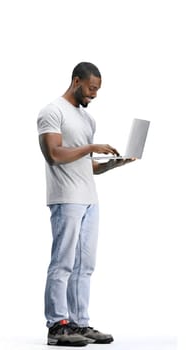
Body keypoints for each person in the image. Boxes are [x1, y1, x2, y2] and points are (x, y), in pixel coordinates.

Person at [37, 62, 135, 346]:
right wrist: (92, 147)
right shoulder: (52, 111)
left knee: (85, 265)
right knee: (63, 262)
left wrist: (114, 164)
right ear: (76, 81)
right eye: (91, 89)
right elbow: (54, 154)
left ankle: (79, 322)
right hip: (65, 198)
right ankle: (57, 326)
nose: (94, 95)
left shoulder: (87, 119)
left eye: (97, 90)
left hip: (89, 199)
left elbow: (86, 165)